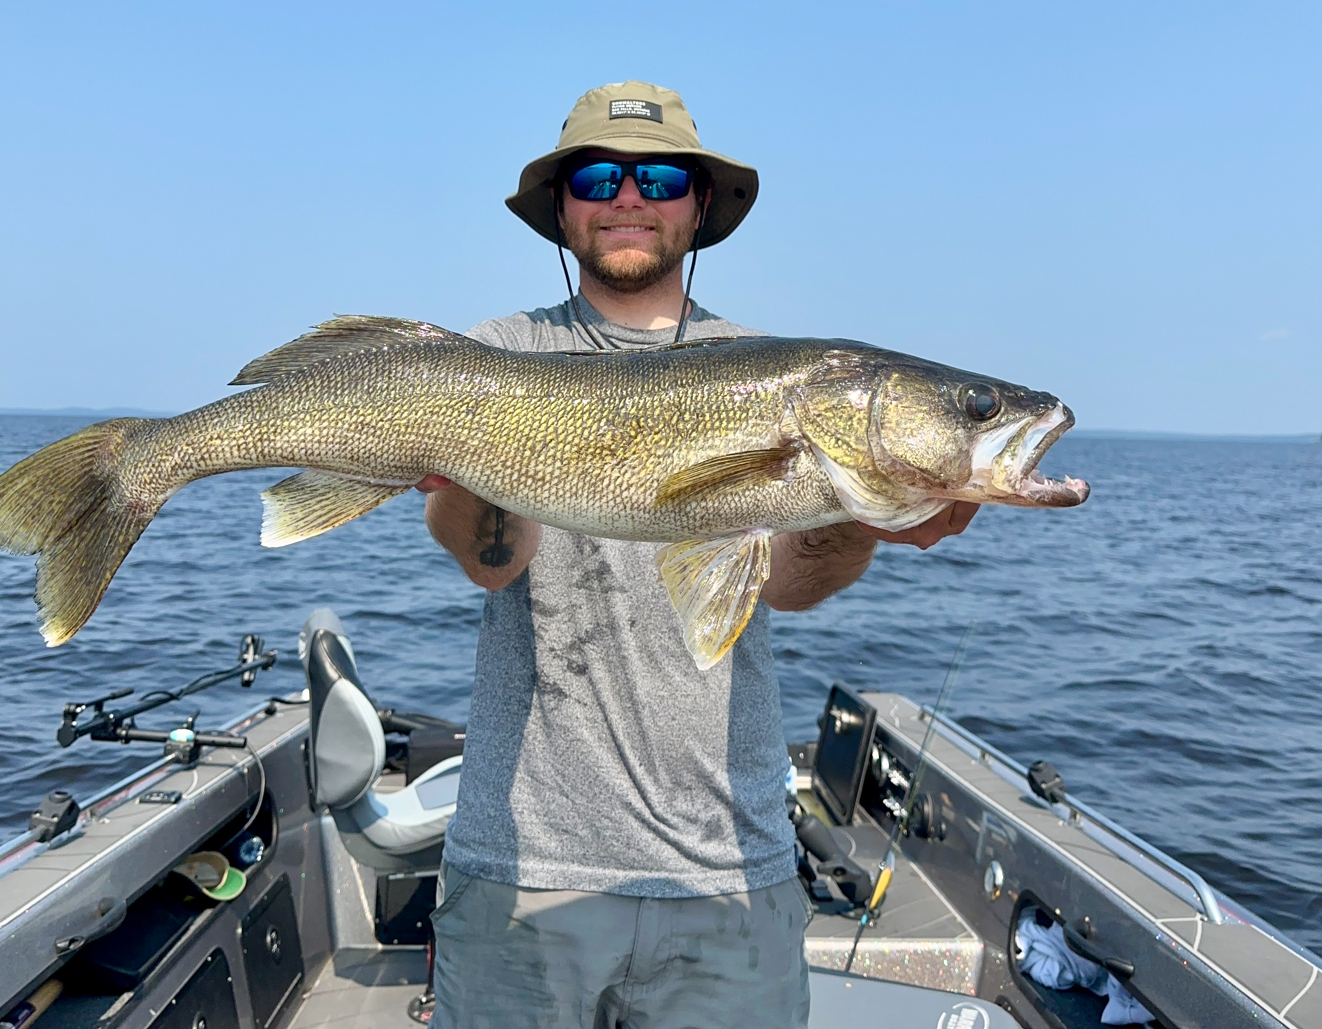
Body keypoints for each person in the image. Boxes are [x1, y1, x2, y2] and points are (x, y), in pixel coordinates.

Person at [419, 81, 977, 1029]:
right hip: (524, 871)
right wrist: (472, 452)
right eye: (598, 175)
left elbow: (791, 585)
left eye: (661, 176)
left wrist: (863, 511)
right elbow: (488, 565)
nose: (628, 195)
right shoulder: (497, 352)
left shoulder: (766, 366)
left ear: (700, 203)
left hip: (729, 874)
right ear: (562, 205)